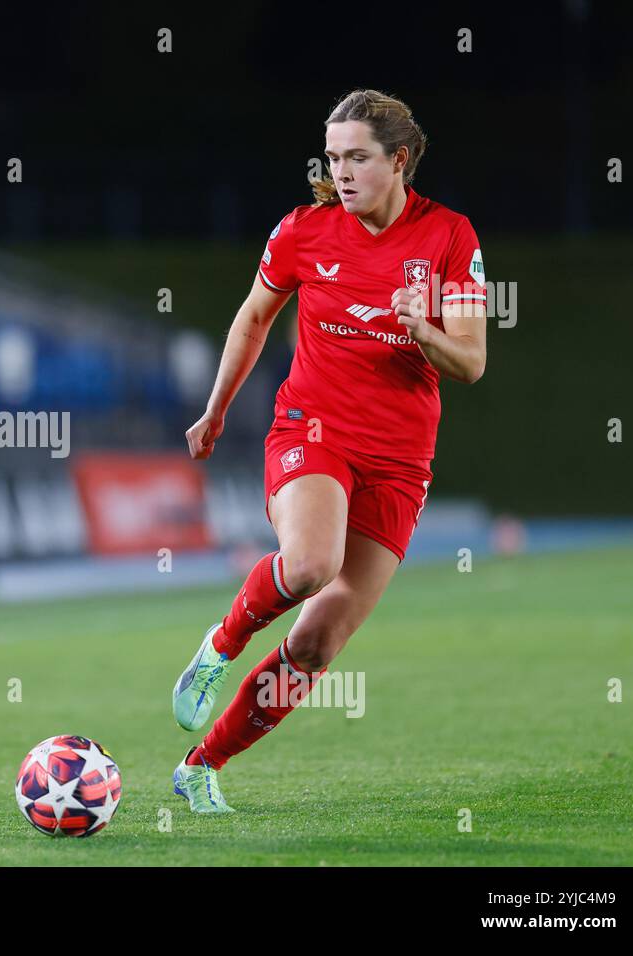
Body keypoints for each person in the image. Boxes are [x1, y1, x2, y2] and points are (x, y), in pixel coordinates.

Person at [171, 90, 488, 812]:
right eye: (333, 157)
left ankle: (201, 765)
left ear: (398, 160)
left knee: (317, 645)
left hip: (401, 462)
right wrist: (215, 409)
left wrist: (425, 332)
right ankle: (220, 645)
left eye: (357, 158)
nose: (340, 172)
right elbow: (254, 317)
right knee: (312, 564)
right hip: (313, 431)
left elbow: (470, 362)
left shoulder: (450, 238)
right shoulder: (302, 232)